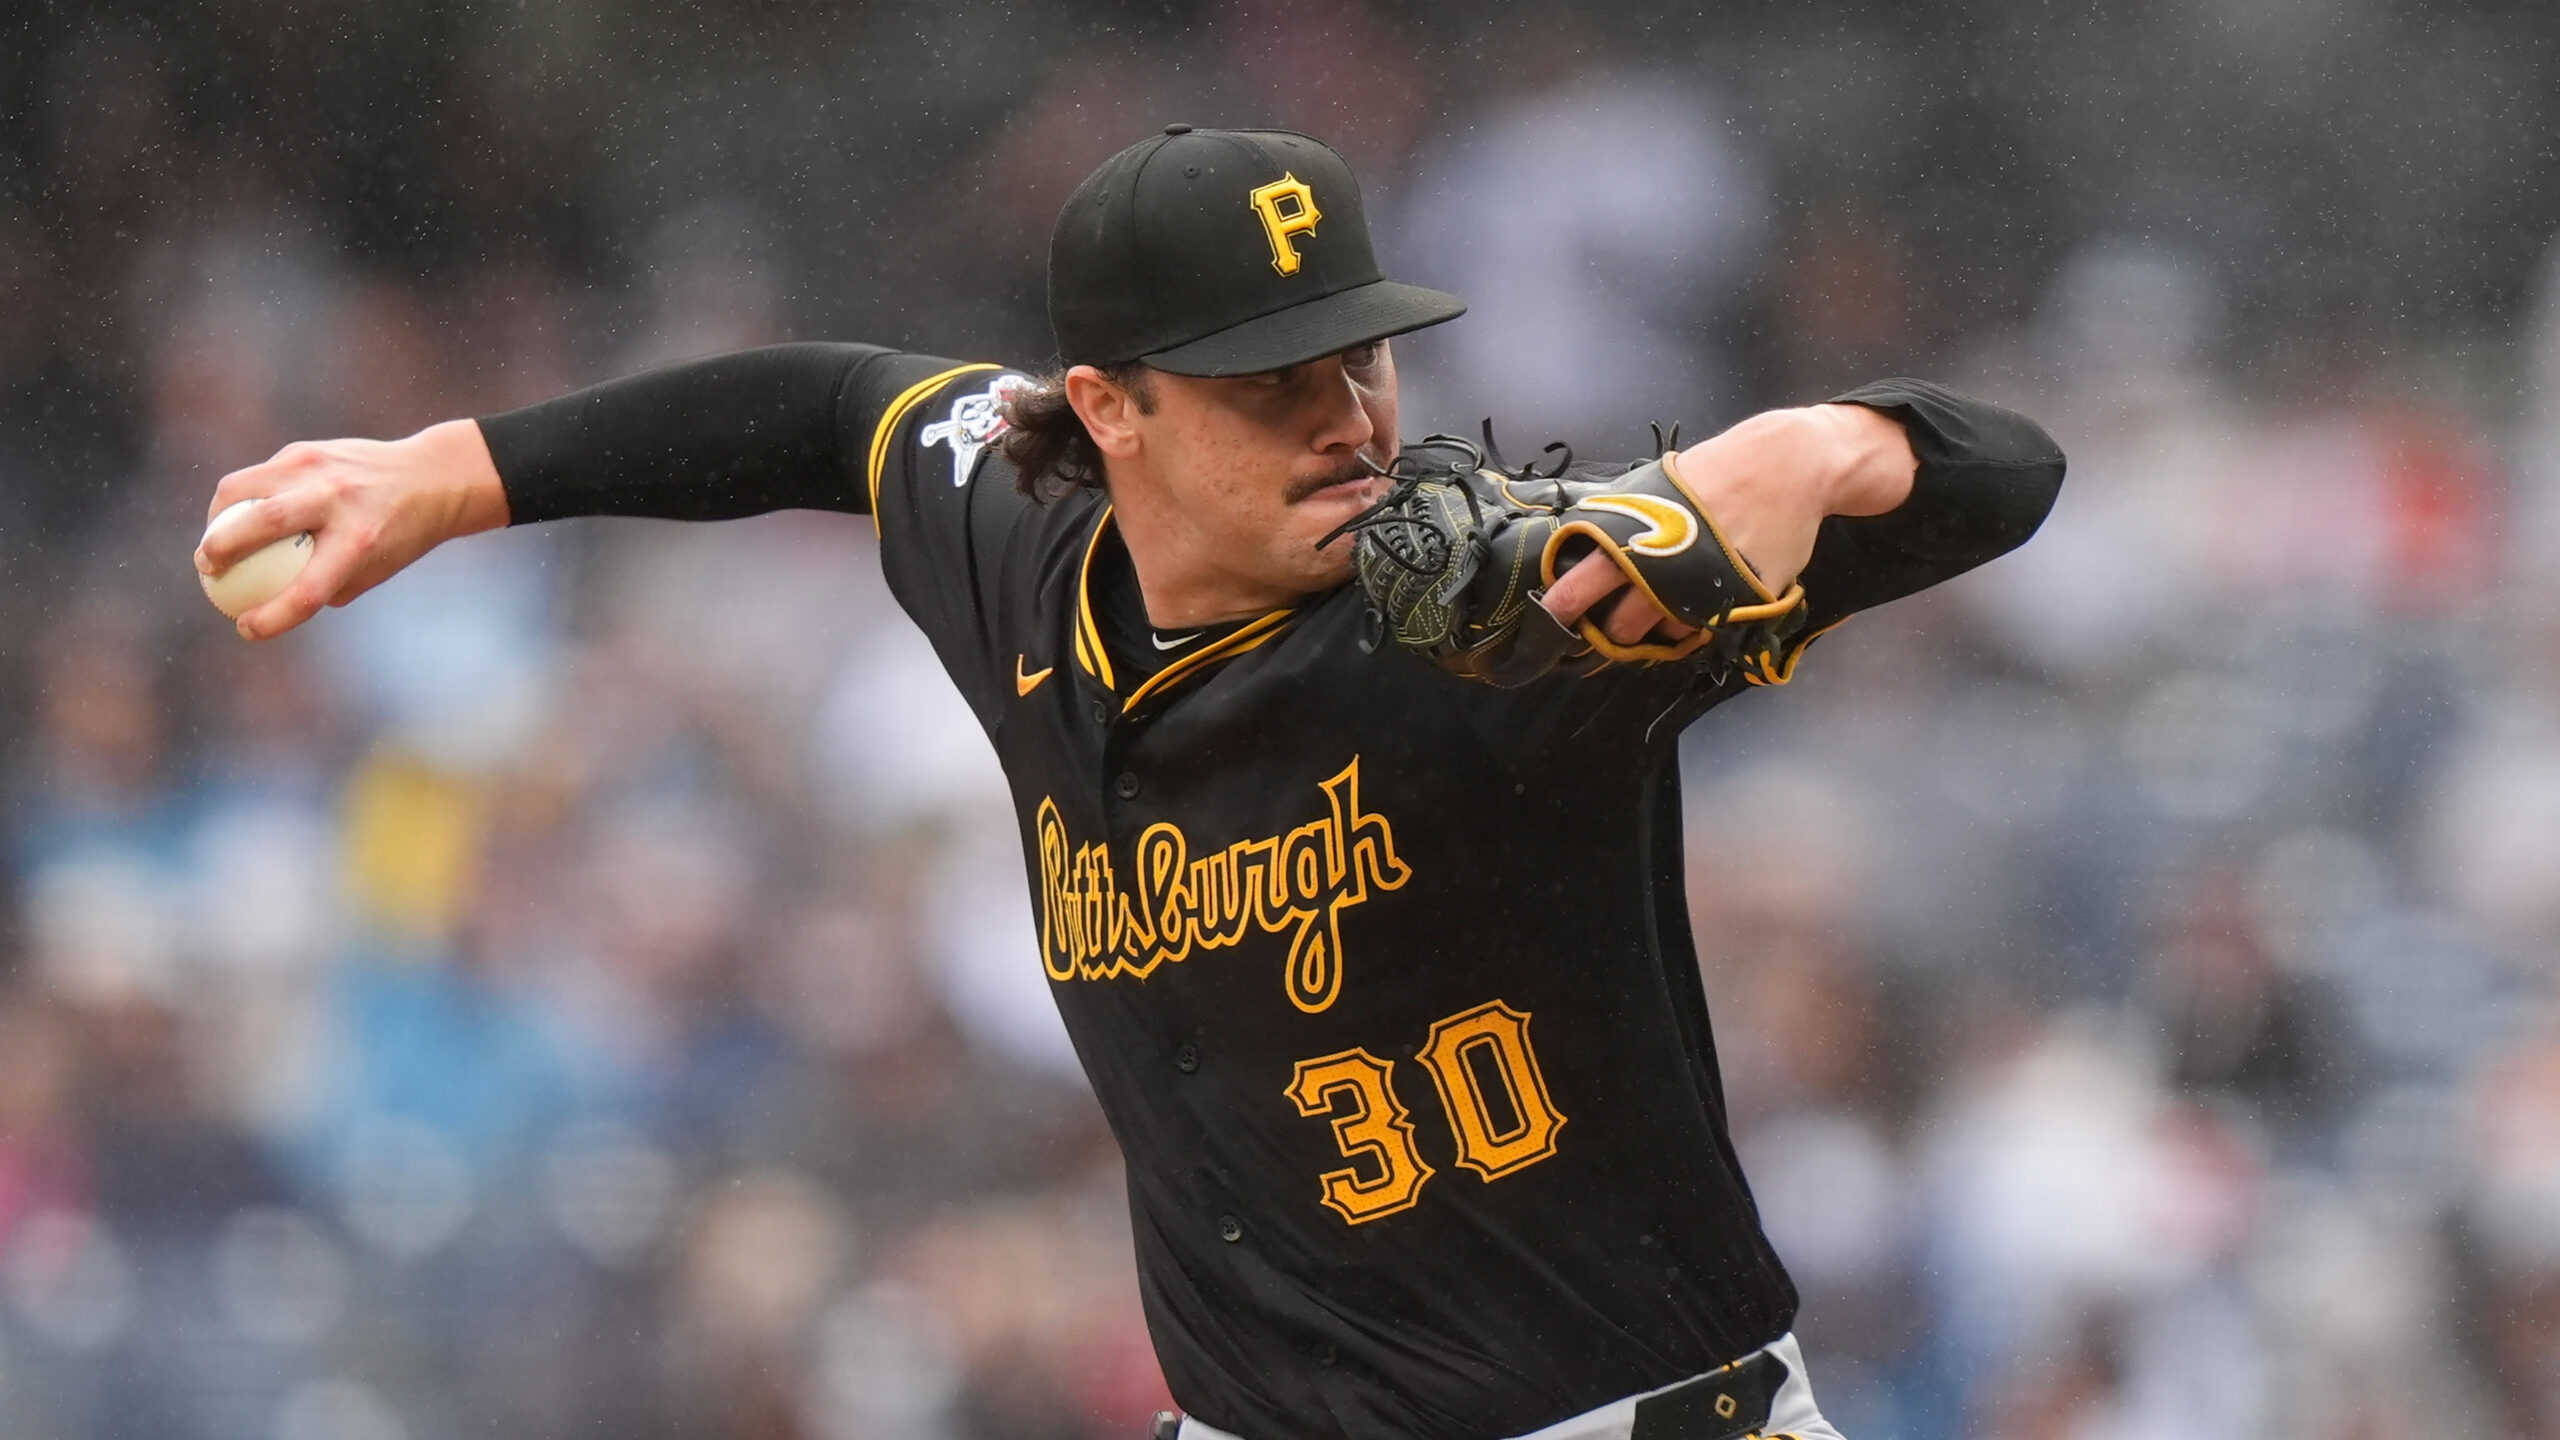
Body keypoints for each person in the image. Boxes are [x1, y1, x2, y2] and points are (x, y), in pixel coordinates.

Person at [198, 126, 2064, 1440]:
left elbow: (2009, 477)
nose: (1348, 418)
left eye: (1362, 359)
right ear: (1107, 407)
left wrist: (1836, 442)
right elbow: (824, 407)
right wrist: (448, 472)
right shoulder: (1017, 543)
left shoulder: (1518, 619)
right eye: (1272, 381)